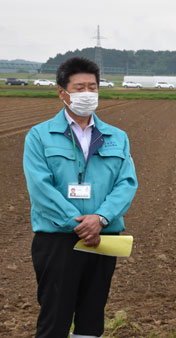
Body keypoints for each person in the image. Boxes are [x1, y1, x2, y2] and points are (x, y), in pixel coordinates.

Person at [23, 56, 138, 338]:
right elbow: (41, 188)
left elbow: (127, 182)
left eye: (92, 87)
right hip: (58, 239)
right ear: (62, 92)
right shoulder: (40, 136)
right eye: (79, 87)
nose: (87, 93)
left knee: (92, 317)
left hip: (104, 236)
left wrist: (100, 218)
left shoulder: (116, 137)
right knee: (55, 317)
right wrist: (79, 223)